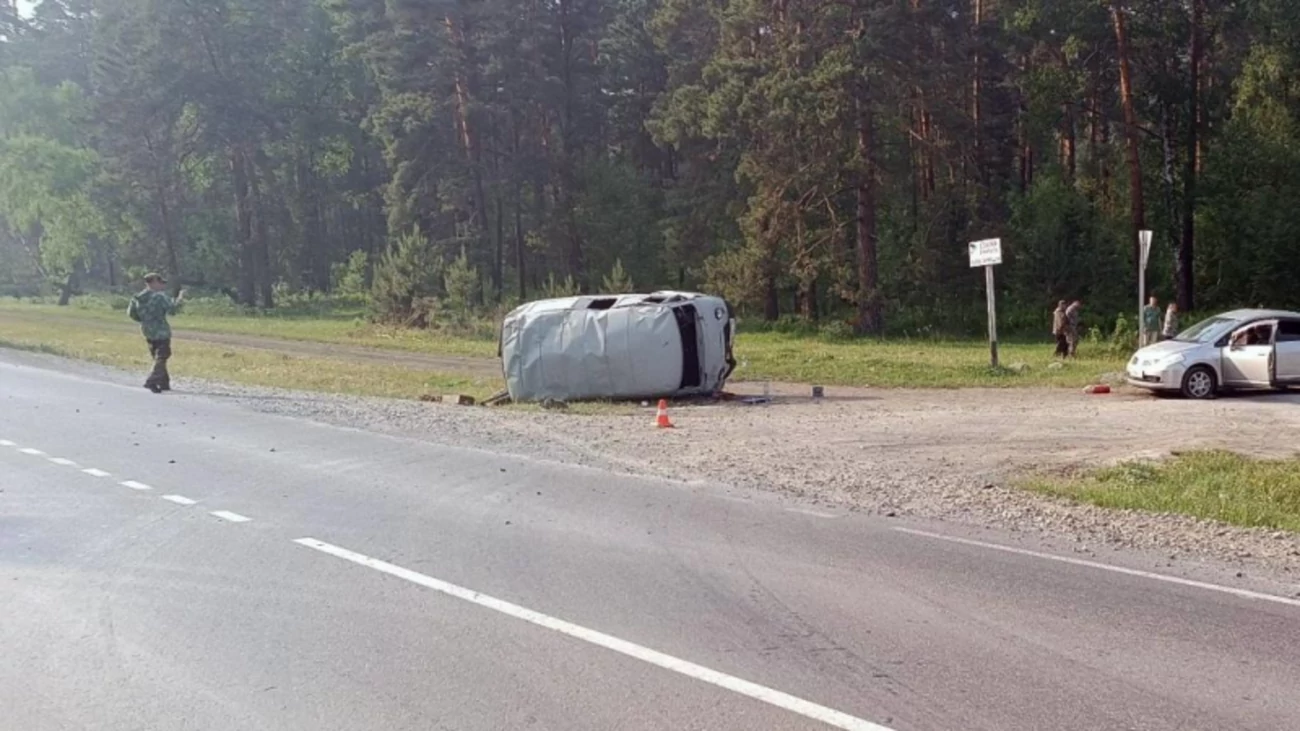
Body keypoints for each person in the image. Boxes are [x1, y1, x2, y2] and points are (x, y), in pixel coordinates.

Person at [127, 273, 184, 393]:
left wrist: (145, 321)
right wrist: (180, 298)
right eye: (160, 282)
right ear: (152, 282)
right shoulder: (159, 297)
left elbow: (131, 314)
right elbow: (173, 309)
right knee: (162, 356)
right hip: (161, 331)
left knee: (157, 357)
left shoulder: (137, 298)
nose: (162, 285)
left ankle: (164, 383)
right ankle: (152, 381)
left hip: (147, 330)